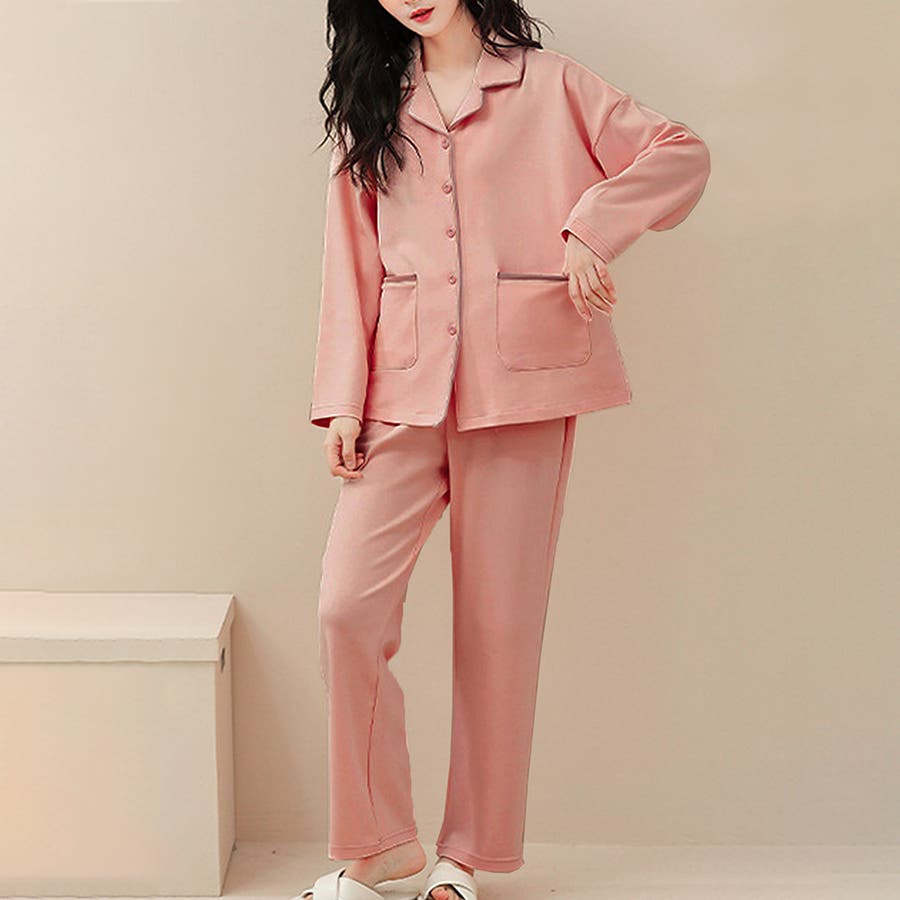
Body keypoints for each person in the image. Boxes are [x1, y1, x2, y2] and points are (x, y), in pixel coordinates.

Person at [296, 2, 711, 899]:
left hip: (523, 382)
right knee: (345, 610)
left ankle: (469, 856)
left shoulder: (551, 85)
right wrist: (340, 399)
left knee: (498, 631)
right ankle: (380, 844)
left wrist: (591, 225)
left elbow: (680, 152)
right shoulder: (375, 102)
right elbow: (350, 260)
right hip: (400, 390)